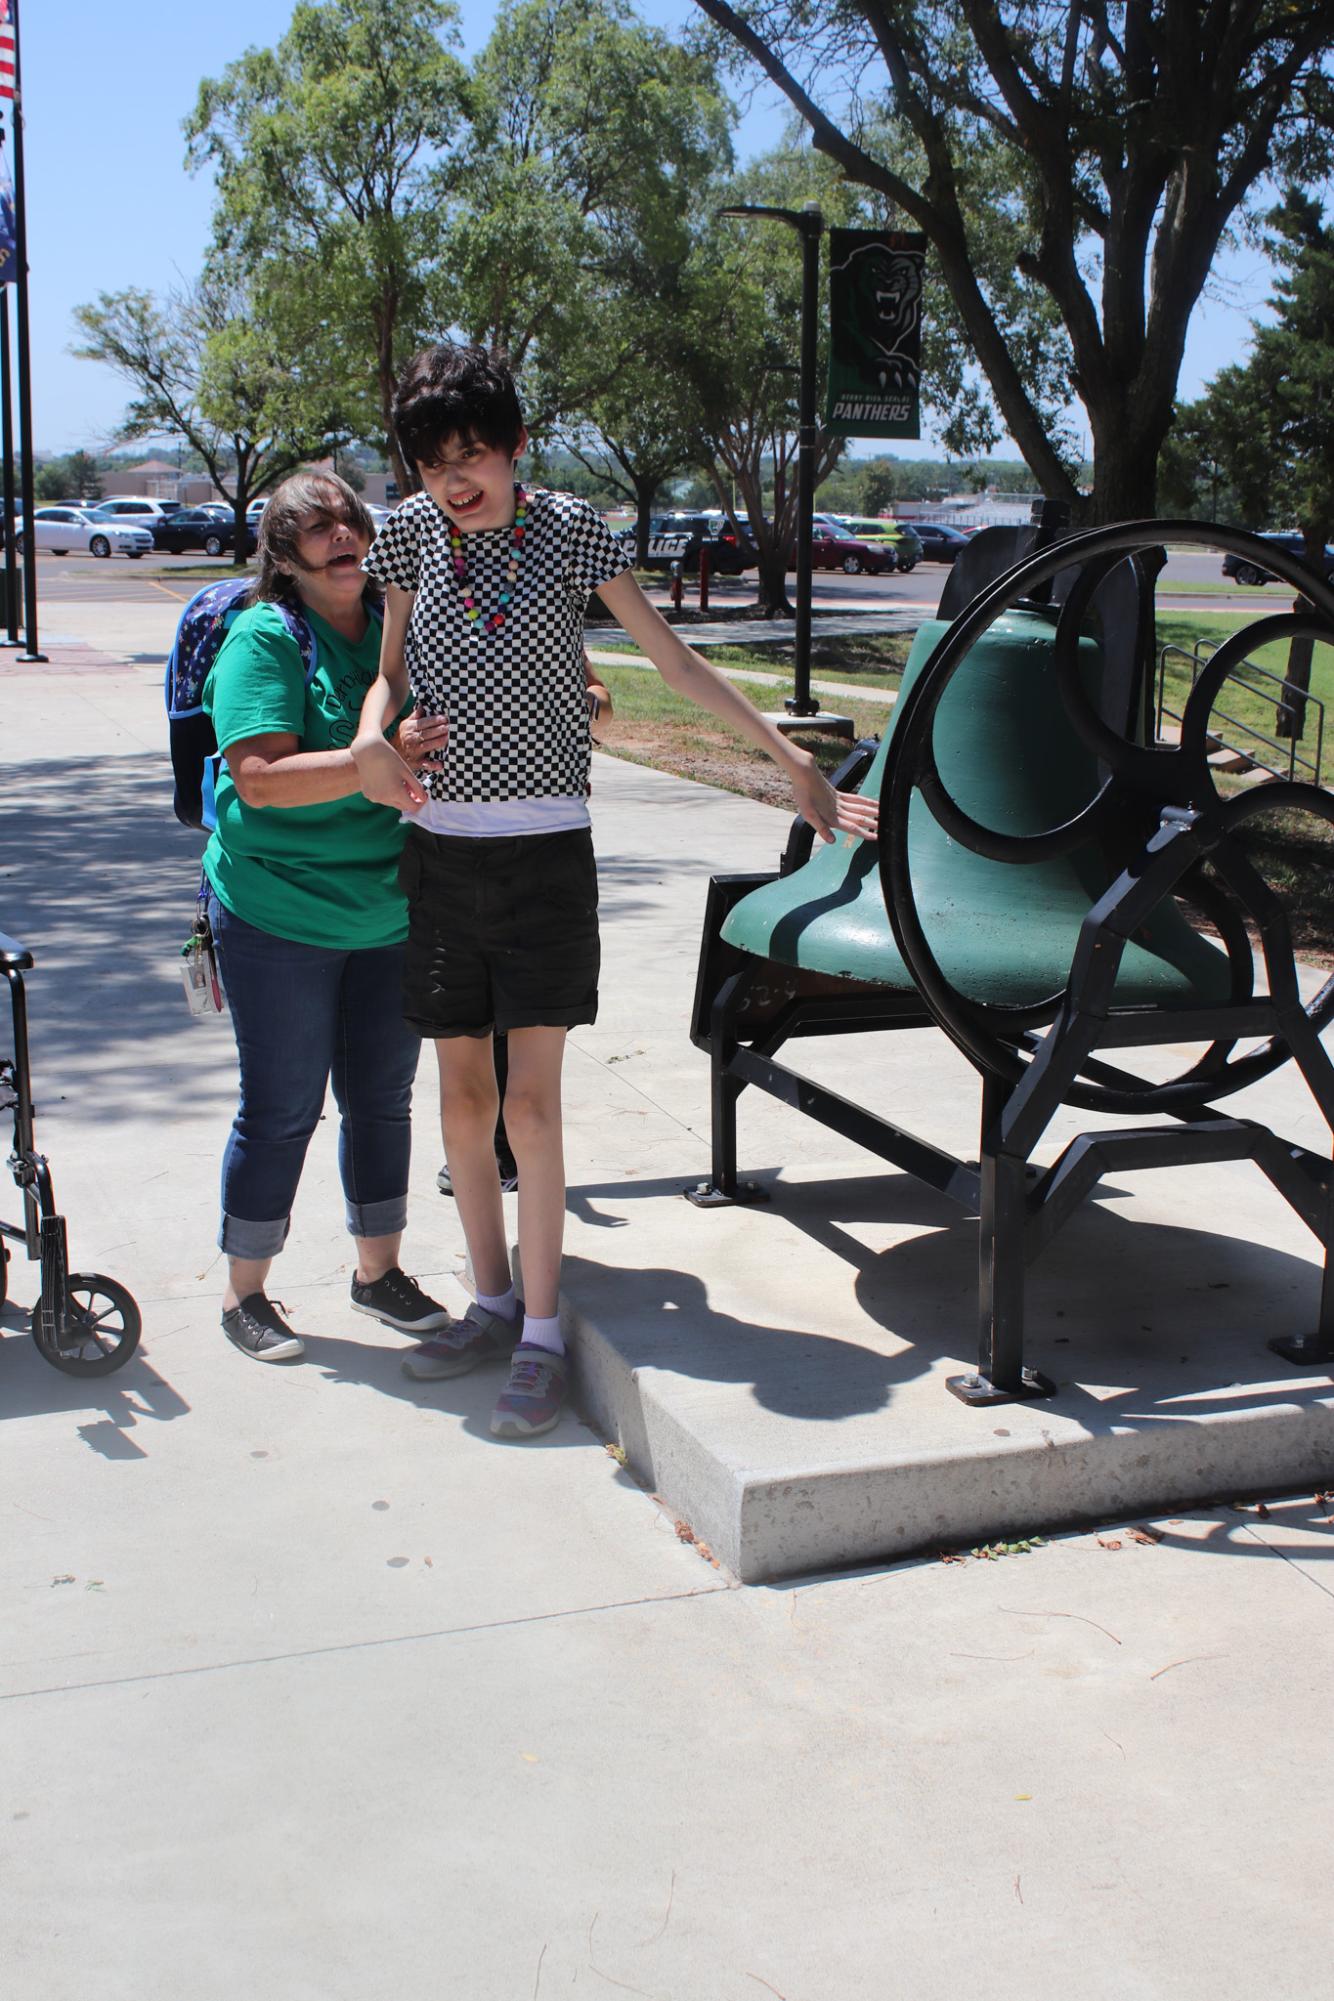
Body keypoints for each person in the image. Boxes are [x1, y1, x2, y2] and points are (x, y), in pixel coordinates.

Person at [352, 344, 877, 1438]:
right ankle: (487, 1299)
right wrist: (371, 737)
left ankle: (541, 1330)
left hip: (544, 853)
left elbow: (673, 660)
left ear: (513, 447)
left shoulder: (569, 527)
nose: (454, 481)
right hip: (439, 849)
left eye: (472, 457)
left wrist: (784, 759)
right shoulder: (404, 534)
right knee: (459, 1101)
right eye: (433, 461)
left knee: (531, 1104)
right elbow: (390, 670)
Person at [202, 470, 454, 1364]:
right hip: (279, 913)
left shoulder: (399, 626)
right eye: (316, 527)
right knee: (281, 1108)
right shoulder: (264, 639)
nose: (342, 533)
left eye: (351, 517)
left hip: (387, 912)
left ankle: (376, 1272)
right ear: (283, 553)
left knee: (382, 1101)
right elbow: (260, 783)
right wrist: (372, 760)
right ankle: (246, 1291)